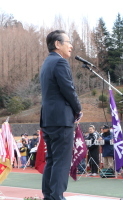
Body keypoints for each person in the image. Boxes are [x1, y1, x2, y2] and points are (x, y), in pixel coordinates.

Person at [40, 30, 82, 200]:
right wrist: (78, 109)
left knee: (52, 160)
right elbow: (68, 90)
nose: (71, 46)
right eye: (68, 42)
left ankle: (49, 196)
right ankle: (57, 197)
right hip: (61, 119)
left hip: (49, 119)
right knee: (61, 161)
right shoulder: (60, 63)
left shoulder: (46, 63)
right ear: (57, 44)